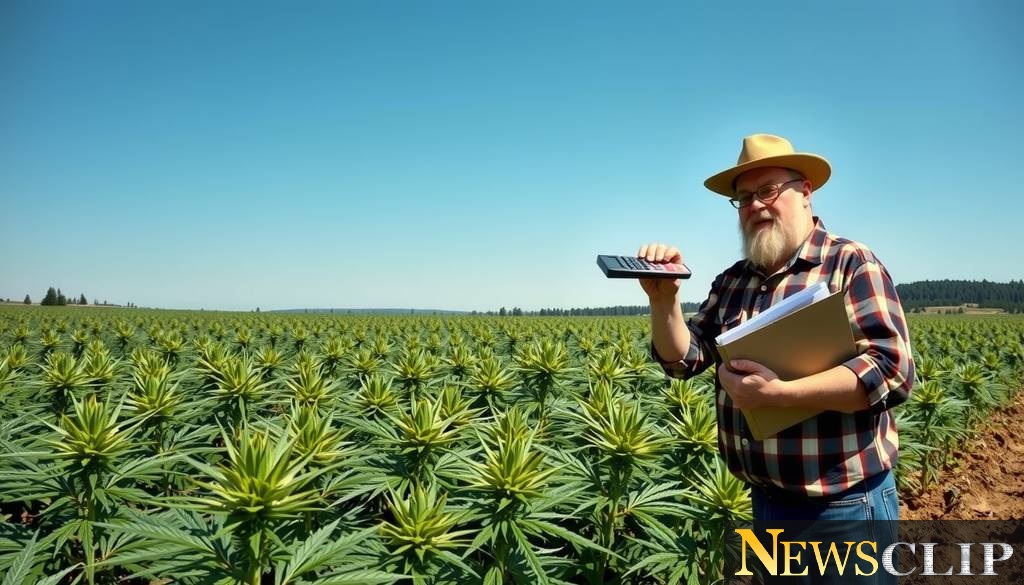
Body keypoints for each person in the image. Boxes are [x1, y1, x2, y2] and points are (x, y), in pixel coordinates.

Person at [639, 134, 914, 581]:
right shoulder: (733, 281)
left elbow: (891, 371)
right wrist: (663, 298)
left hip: (843, 508)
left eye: (767, 191)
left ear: (804, 192)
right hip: (766, 505)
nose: (754, 206)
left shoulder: (849, 262)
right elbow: (684, 359)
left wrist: (780, 394)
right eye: (744, 197)